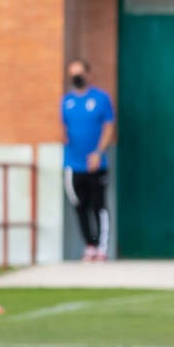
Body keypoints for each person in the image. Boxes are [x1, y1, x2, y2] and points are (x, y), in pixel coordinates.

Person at [61, 59, 115, 261]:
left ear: (88, 74)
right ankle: (89, 246)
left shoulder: (100, 99)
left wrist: (98, 152)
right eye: (73, 73)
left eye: (80, 73)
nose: (76, 77)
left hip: (96, 164)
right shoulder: (66, 101)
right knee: (80, 206)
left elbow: (109, 126)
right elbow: (62, 127)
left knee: (98, 205)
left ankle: (102, 248)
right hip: (73, 164)